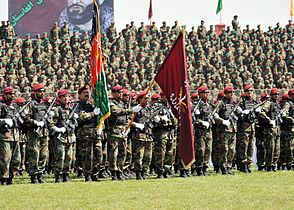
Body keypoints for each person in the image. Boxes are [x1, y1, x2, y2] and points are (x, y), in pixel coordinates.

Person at [106, 85, 137, 180]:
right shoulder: (111, 103)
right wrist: (131, 110)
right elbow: (117, 112)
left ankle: (120, 171)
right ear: (114, 93)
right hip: (114, 130)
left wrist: (127, 127)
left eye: (121, 92)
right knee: (113, 152)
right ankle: (113, 172)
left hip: (123, 130)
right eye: (119, 92)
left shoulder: (122, 103)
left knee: (123, 152)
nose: (120, 94)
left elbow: (126, 118)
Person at [75, 85, 102, 181]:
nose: (87, 94)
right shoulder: (77, 106)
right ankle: (87, 175)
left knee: (98, 155)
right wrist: (92, 114)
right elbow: (79, 117)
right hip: (84, 133)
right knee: (87, 156)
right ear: (80, 95)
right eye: (84, 93)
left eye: (88, 92)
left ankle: (95, 174)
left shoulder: (93, 105)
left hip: (95, 132)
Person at [51, 89, 78, 182]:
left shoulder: (70, 109)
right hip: (60, 137)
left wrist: (74, 120)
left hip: (70, 137)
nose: (67, 98)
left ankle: (66, 174)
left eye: (68, 96)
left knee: (69, 157)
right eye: (64, 97)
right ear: (60, 98)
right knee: (60, 157)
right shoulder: (57, 109)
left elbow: (75, 124)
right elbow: (51, 123)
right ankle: (58, 175)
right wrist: (57, 129)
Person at [214, 86, 242, 175]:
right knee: (224, 150)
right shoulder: (221, 103)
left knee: (232, 150)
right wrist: (222, 121)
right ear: (225, 94)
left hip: (233, 129)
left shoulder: (234, 103)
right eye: (230, 93)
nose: (232, 94)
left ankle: (229, 166)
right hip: (223, 130)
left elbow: (238, 115)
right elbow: (214, 114)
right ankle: (223, 167)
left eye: (233, 92)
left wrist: (239, 111)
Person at [26, 84, 51, 183]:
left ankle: (40, 174)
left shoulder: (45, 105)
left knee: (44, 155)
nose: (42, 93)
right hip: (34, 134)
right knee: (34, 155)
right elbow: (25, 118)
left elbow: (50, 119)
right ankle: (34, 176)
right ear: (35, 92)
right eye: (40, 91)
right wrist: (35, 122)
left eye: (43, 91)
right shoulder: (30, 104)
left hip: (44, 133)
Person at [236, 84, 260, 173]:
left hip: (252, 126)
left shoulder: (254, 102)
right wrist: (242, 112)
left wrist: (258, 112)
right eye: (247, 91)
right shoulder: (241, 102)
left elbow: (257, 114)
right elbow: (236, 112)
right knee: (243, 146)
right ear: (244, 92)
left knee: (250, 146)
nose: (249, 93)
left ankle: (248, 163)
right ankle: (243, 164)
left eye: (251, 91)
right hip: (244, 127)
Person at [191, 86, 214, 176]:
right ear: (200, 94)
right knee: (200, 150)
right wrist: (202, 122)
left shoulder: (209, 105)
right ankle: (199, 168)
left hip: (208, 131)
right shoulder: (196, 105)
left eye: (208, 92)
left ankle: (205, 167)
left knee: (208, 149)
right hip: (200, 131)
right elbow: (193, 119)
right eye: (205, 93)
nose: (207, 94)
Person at [0, 87, 20, 185]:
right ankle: (3, 178)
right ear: (5, 95)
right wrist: (3, 121)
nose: (12, 96)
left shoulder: (15, 106)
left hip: (15, 135)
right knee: (5, 158)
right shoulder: (1, 106)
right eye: (10, 94)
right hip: (5, 136)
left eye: (13, 94)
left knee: (16, 159)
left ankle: (11, 177)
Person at [131, 91, 153, 180]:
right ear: (140, 99)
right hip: (139, 136)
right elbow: (128, 120)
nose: (147, 100)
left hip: (148, 135)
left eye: (148, 98)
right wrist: (136, 125)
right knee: (139, 156)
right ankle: (138, 173)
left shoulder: (149, 109)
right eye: (145, 98)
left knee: (148, 156)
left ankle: (145, 171)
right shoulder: (136, 109)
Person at [259, 88, 281, 171]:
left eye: (278, 94)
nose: (277, 96)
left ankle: (274, 164)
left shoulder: (277, 104)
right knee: (270, 148)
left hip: (277, 128)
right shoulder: (268, 103)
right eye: (275, 94)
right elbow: (262, 112)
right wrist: (269, 120)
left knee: (277, 149)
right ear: (272, 95)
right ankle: (269, 165)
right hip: (270, 129)